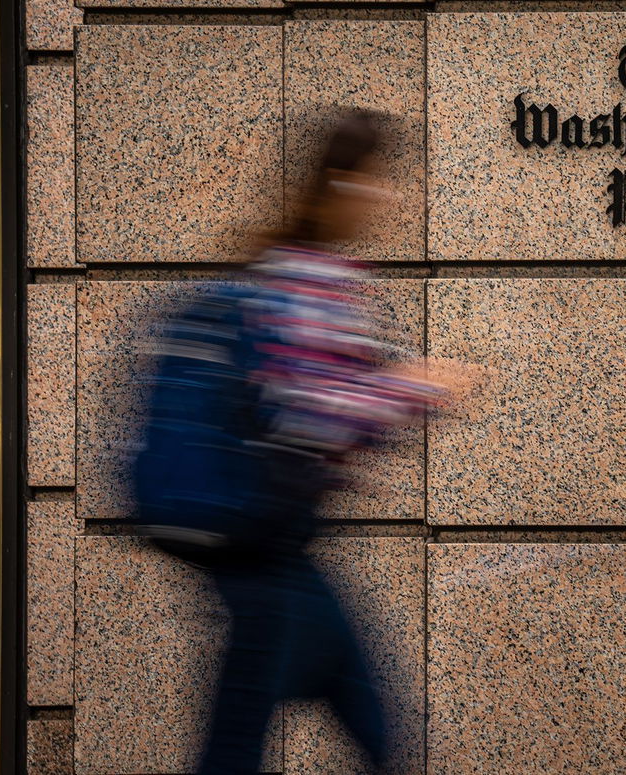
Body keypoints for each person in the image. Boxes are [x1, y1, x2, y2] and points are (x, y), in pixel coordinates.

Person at [133, 110, 462, 774]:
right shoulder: (306, 281)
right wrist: (414, 387)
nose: (391, 197)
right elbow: (307, 411)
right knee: (337, 724)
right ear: (342, 184)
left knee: (352, 716)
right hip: (269, 547)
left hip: (277, 547)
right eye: (380, 181)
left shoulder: (306, 275)